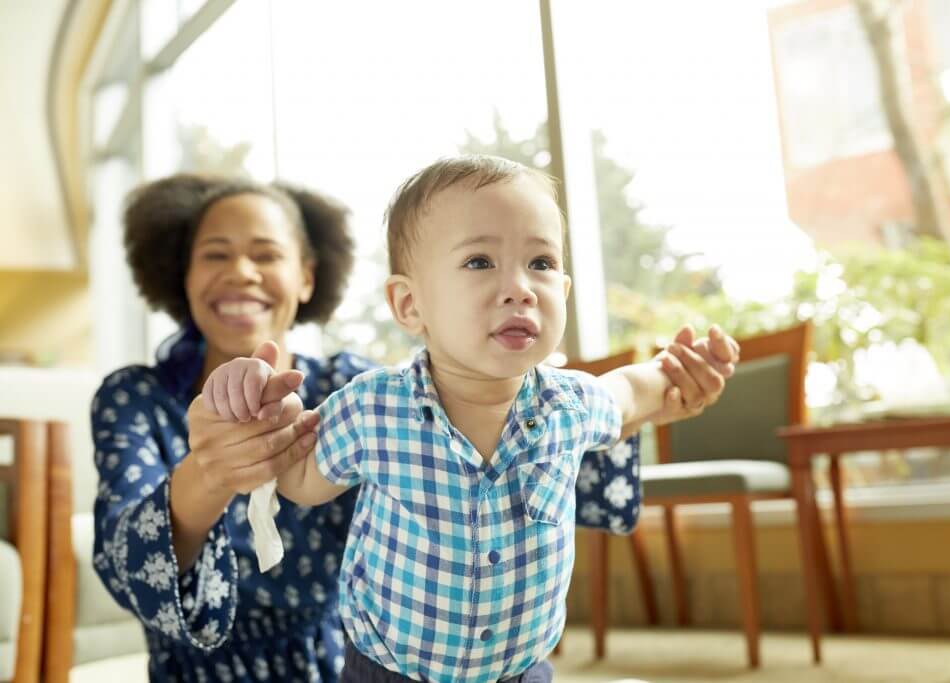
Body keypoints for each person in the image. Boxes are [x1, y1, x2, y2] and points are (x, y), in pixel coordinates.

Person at [91, 172, 738, 682]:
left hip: (348, 661)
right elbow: (127, 564)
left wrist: (659, 395)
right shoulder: (136, 398)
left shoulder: (360, 381)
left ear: (307, 276)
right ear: (181, 275)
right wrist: (211, 469)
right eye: (216, 255)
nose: (242, 272)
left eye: (267, 254)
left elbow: (566, 468)